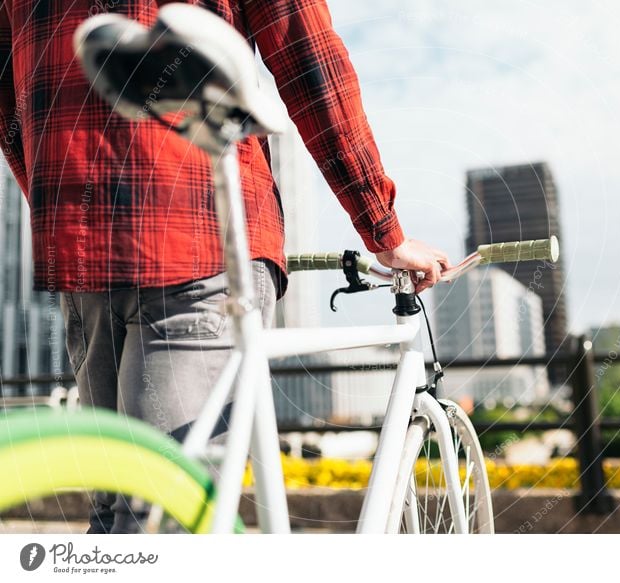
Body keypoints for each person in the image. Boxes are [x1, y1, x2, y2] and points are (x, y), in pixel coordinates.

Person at [0, 0, 449, 533]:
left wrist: (59, 207)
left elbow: (9, 105)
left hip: (85, 247)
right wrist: (383, 229)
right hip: (198, 233)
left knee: (128, 509)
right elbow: (310, 60)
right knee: (163, 514)